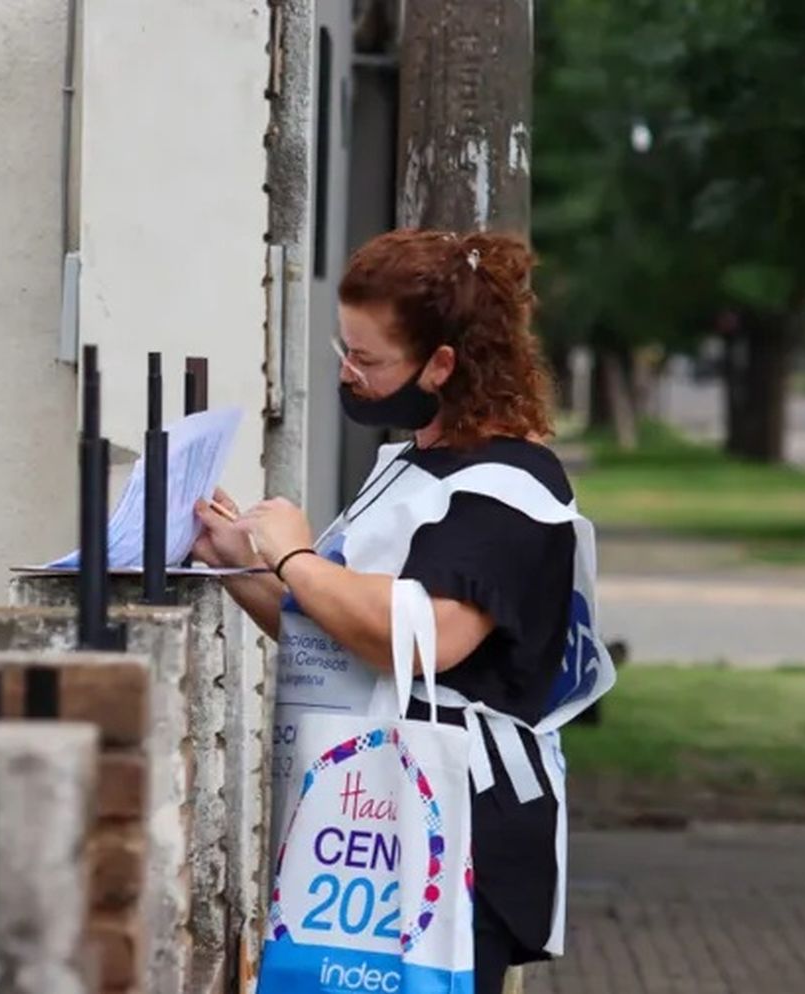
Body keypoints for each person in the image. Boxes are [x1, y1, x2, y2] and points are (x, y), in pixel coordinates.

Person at [193, 229, 613, 994]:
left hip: (458, 826)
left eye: (369, 360)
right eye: (343, 349)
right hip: (374, 818)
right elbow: (339, 635)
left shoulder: (513, 486)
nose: (349, 375)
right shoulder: (414, 465)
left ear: (443, 364)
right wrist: (234, 561)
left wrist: (293, 556)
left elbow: (428, 638)